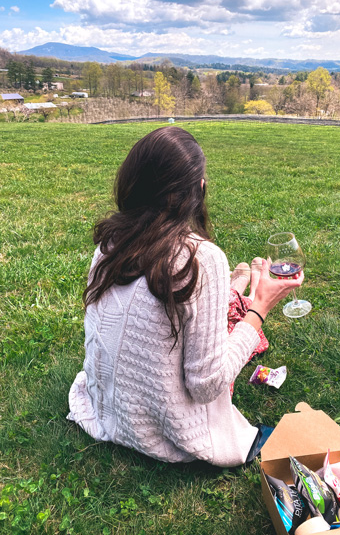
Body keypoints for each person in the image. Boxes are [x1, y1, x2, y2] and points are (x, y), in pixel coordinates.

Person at [67, 126, 304, 467]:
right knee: (239, 319)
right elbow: (206, 386)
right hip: (157, 432)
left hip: (106, 410)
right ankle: (243, 290)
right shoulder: (200, 259)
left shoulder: (110, 243)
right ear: (199, 189)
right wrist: (261, 307)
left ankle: (235, 285)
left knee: (212, 308)